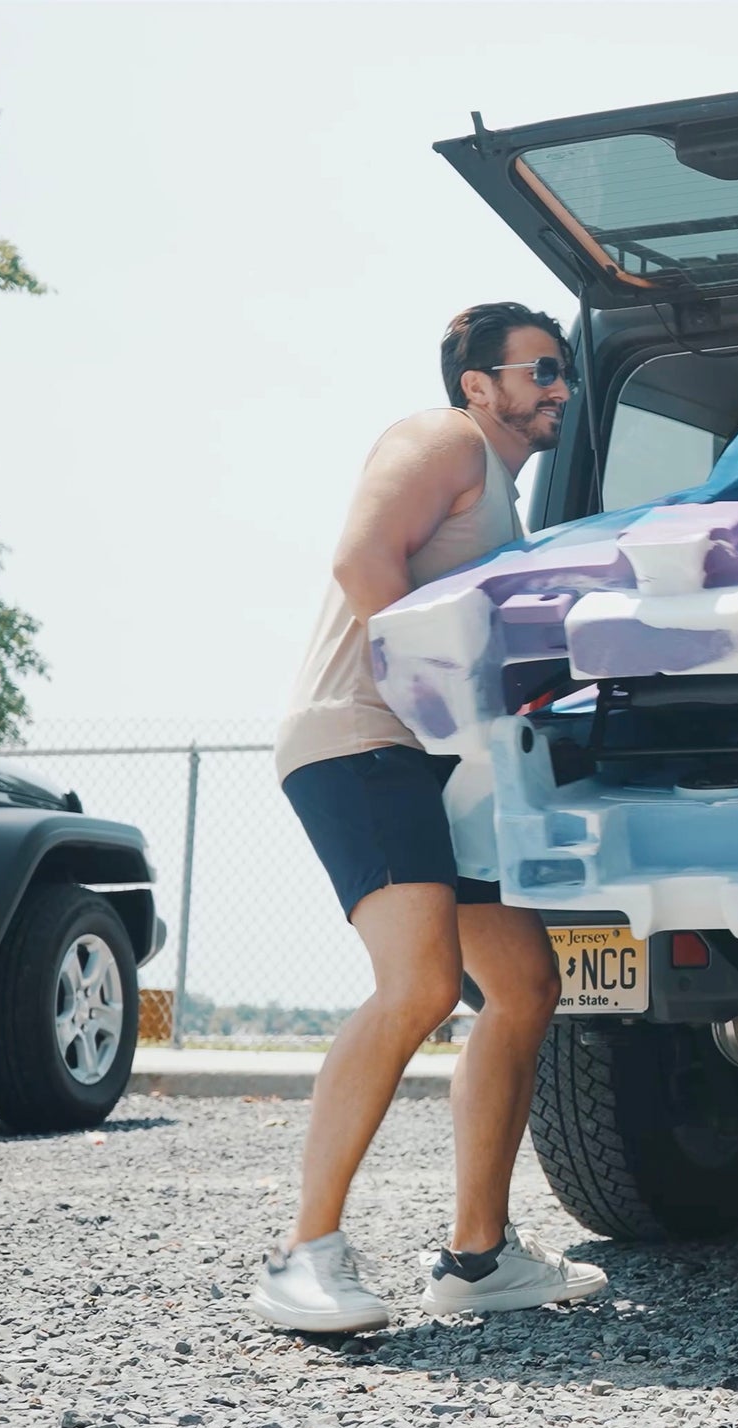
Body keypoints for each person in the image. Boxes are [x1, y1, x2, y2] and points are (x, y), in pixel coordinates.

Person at [252, 302, 607, 1332]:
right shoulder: (439, 438)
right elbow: (364, 563)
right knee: (414, 987)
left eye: (564, 370)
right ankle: (299, 1256)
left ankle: (479, 1259)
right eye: (539, 369)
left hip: (437, 763)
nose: (559, 387)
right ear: (478, 386)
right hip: (363, 737)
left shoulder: (503, 499)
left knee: (525, 983)